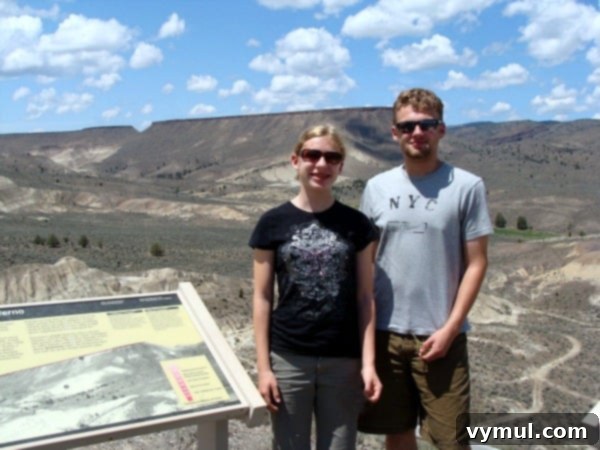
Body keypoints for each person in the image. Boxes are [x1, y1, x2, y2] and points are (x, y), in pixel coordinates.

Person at [357, 88, 494, 450]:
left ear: (441, 130)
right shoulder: (376, 188)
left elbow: (477, 263)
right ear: (395, 133)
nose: (417, 133)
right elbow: (366, 264)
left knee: (451, 440)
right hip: (386, 334)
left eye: (426, 124)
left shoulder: (467, 187)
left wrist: (450, 328)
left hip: (442, 337)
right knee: (397, 433)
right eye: (408, 126)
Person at [249, 124, 382, 450]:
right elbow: (262, 297)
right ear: (296, 161)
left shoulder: (357, 225)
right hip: (290, 359)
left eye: (332, 157)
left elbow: (365, 297)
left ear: (341, 166)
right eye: (312, 155)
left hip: (344, 361)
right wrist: (264, 368)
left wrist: (368, 364)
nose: (321, 164)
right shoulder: (272, 223)